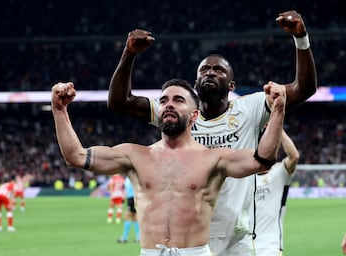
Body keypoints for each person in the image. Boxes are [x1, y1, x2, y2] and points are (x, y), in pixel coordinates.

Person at [107, 10, 317, 256]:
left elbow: (305, 88)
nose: (209, 72)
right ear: (195, 84)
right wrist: (129, 54)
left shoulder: (250, 108)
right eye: (204, 70)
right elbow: (119, 101)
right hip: (189, 238)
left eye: (218, 70)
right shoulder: (177, 112)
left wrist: (301, 38)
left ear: (231, 85)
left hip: (236, 237)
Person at [52, 79, 285, 255]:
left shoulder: (214, 158)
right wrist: (59, 110)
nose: (168, 105)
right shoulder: (134, 155)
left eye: (178, 100)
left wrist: (277, 111)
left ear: (194, 115)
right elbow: (76, 156)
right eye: (163, 101)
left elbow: (262, 160)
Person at [254, 129, 300, 256]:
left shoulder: (279, 172)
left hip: (269, 246)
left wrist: (277, 128)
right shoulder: (244, 176)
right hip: (244, 244)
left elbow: (294, 156)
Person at [117, 176, 140, 243]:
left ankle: (124, 237)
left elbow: (131, 190)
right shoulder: (128, 178)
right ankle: (138, 237)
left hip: (132, 199)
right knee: (134, 218)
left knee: (127, 217)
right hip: (131, 199)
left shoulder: (131, 178)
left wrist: (122, 201)